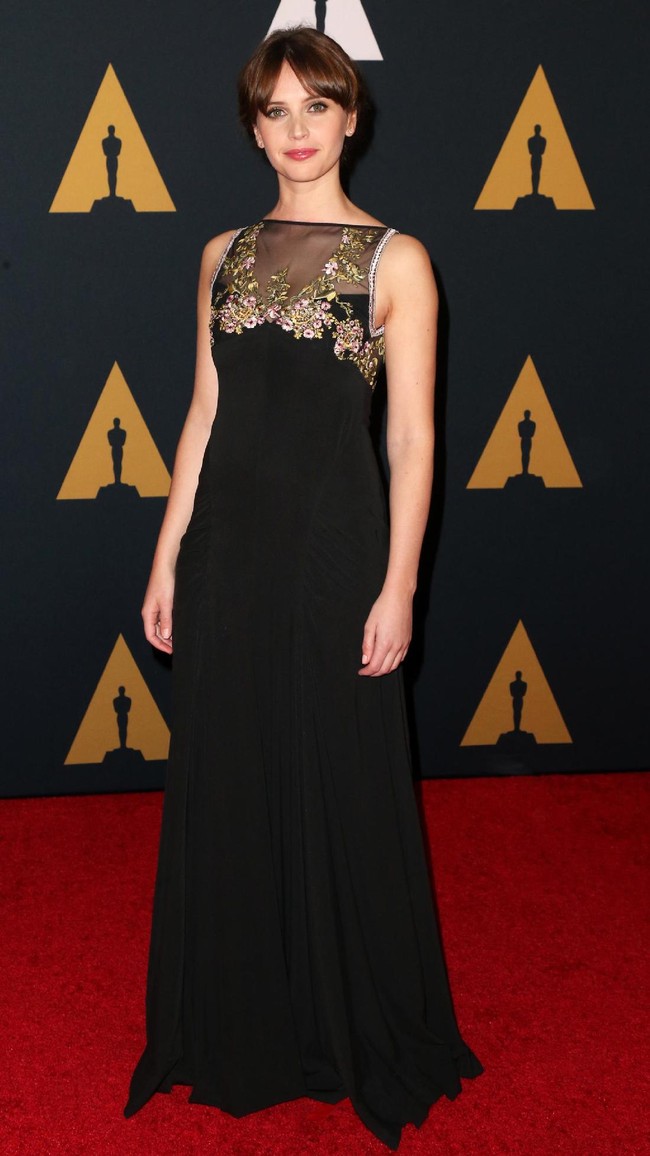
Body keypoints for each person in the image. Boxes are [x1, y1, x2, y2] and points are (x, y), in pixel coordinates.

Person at [124, 25, 483, 1150]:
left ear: (350, 118)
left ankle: (344, 1019)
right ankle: (239, 1017)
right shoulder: (220, 253)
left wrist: (399, 586)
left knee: (336, 776)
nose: (294, 131)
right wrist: (166, 552)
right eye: (273, 110)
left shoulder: (396, 260)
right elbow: (203, 412)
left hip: (333, 560)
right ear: (251, 125)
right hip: (229, 552)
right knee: (232, 770)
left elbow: (415, 440)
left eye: (314, 108)